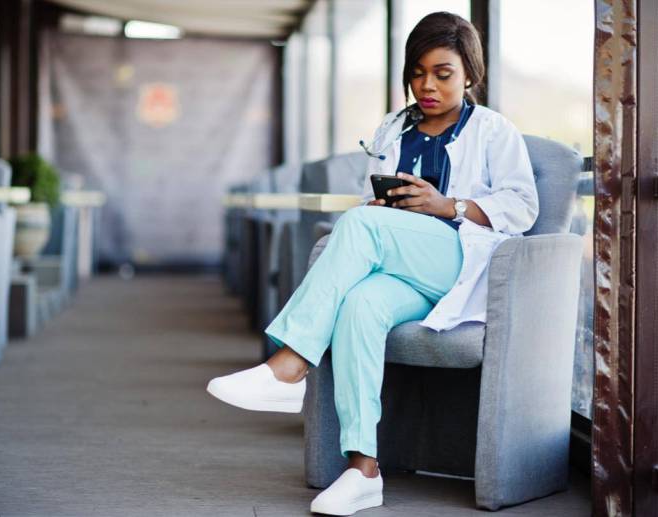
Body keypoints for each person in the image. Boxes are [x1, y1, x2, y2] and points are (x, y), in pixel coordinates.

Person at [207, 11, 539, 516]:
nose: (427, 85)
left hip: (458, 263)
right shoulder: (392, 128)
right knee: (360, 305)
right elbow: (371, 199)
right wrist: (380, 208)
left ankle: (290, 363)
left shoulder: (494, 130)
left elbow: (523, 207)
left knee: (358, 227)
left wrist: (448, 206)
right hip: (402, 267)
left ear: (469, 73)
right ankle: (363, 470)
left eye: (443, 74)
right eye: (417, 72)